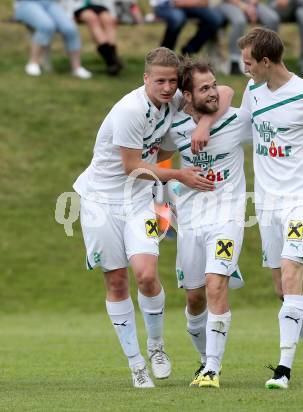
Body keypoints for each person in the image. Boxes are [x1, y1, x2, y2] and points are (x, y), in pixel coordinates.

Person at [72, 47, 232, 388]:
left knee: (145, 276)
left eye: (172, 81)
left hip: (139, 199)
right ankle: (136, 365)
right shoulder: (130, 110)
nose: (166, 87)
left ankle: (156, 346)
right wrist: (178, 175)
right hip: (101, 200)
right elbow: (131, 167)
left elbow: (227, 93)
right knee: (116, 281)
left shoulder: (172, 100)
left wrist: (203, 123)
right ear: (145, 78)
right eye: (159, 80)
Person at [237, 28, 303, 389]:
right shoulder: (252, 91)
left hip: (301, 199)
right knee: (282, 289)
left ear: (267, 62)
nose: (245, 69)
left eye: (249, 63)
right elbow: (261, 138)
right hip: (266, 201)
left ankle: (283, 370)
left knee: (291, 273)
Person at [157, 59, 251, 388]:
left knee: (215, 284)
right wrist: (162, 197)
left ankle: (213, 368)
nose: (213, 92)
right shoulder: (173, 127)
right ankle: (203, 360)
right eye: (204, 88)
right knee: (194, 299)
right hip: (191, 221)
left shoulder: (235, 119)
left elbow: (275, 143)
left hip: (227, 215)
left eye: (213, 85)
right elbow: (155, 161)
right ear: (186, 95)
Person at [14, 0, 91, 78]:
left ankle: (76, 68)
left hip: (50, 3)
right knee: (46, 26)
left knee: (70, 29)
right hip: (26, 4)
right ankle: (33, 63)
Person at [215, 0, 280, 74]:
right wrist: (245, 7)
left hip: (251, 4)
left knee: (272, 19)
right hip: (229, 3)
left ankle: (268, 58)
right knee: (239, 22)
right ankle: (234, 62)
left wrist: (252, 4)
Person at [62, 0, 123, 75]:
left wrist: (113, 15)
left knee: (108, 20)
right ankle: (111, 61)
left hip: (98, 5)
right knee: (92, 19)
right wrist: (69, 15)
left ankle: (112, 60)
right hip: (79, 6)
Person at [151, 0, 223, 56]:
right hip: (166, 5)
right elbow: (176, 3)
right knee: (177, 18)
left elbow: (205, 2)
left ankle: (189, 50)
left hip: (191, 3)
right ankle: (164, 54)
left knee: (215, 19)